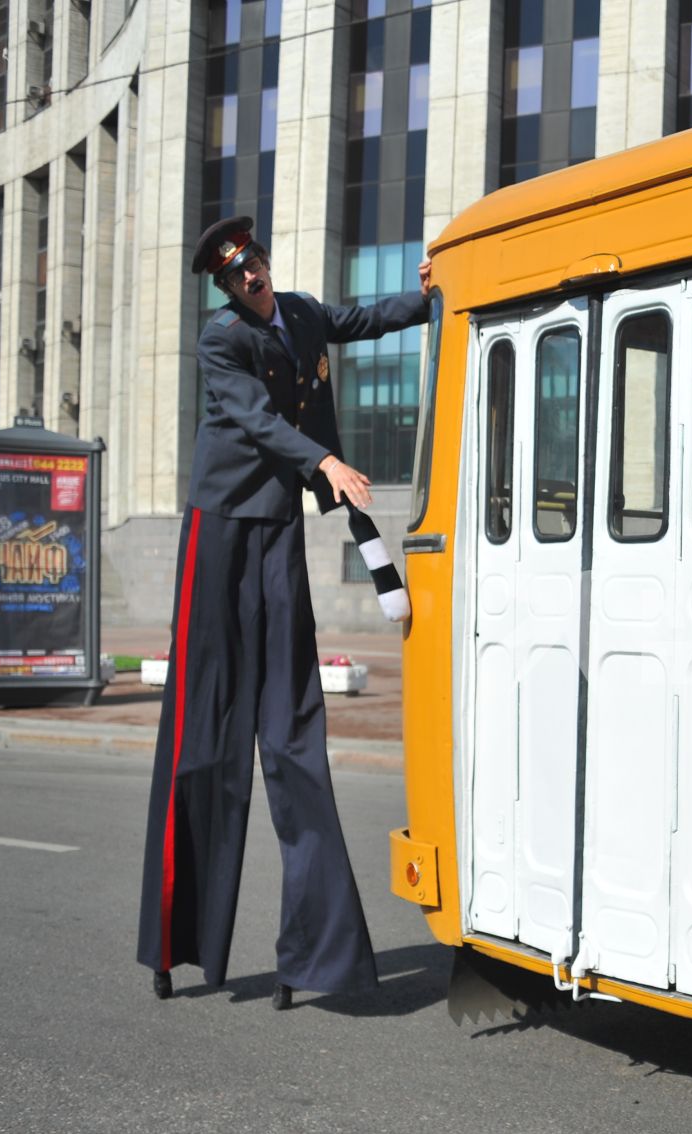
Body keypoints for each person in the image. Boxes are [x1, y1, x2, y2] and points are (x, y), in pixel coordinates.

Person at [136, 215, 433, 1010]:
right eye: (238, 276)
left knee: (294, 729)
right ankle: (176, 940)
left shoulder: (300, 311)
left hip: (276, 532)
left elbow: (366, 320)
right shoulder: (221, 340)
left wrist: (438, 296)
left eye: (256, 265)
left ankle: (315, 953)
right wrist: (326, 459)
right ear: (227, 288)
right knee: (205, 733)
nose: (253, 279)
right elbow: (257, 422)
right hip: (220, 527)